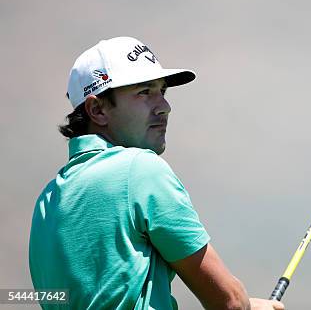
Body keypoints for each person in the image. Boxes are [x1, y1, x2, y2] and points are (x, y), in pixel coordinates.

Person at [29, 36, 284, 310]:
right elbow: (230, 302)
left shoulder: (46, 201)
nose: (164, 106)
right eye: (144, 92)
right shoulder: (140, 169)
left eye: (162, 91)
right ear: (97, 109)